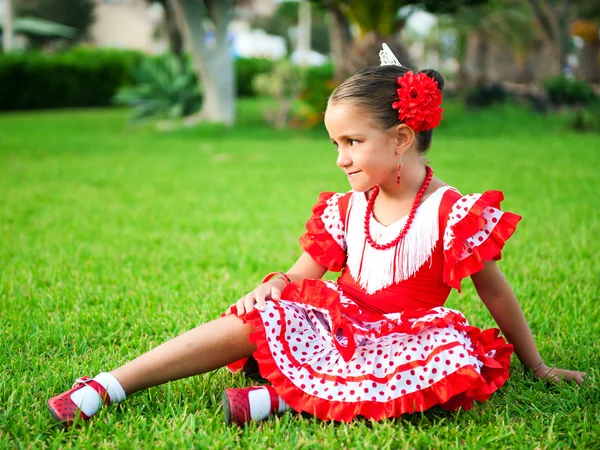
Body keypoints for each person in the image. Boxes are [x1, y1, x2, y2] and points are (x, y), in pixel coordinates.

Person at [47, 44, 586, 427]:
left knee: (447, 363)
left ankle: (283, 400)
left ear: (401, 138)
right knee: (256, 316)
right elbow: (303, 277)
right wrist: (273, 286)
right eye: (335, 143)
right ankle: (111, 383)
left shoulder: (451, 212)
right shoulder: (347, 210)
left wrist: (534, 364)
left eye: (352, 142)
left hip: (405, 335)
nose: (340, 158)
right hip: (340, 323)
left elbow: (495, 292)